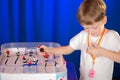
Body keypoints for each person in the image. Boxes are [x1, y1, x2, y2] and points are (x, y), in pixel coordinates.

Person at [38, 0, 120, 80]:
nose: (90, 32)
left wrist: (102, 52)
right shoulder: (83, 35)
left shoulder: (112, 36)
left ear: (104, 20)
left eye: (95, 27)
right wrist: (48, 50)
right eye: (86, 28)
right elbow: (67, 49)